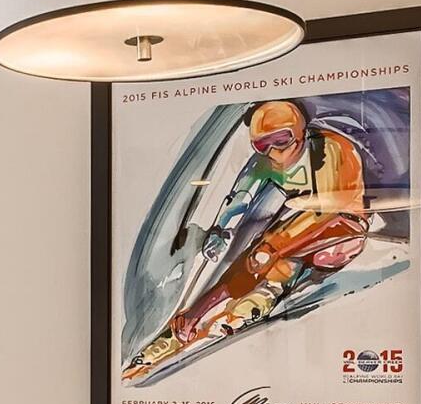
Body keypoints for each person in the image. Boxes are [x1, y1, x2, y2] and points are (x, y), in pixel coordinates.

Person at [128, 99, 374, 378]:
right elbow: (241, 196)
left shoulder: (332, 150)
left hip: (342, 227)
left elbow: (328, 210)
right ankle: (195, 316)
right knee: (255, 250)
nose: (273, 151)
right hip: (291, 222)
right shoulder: (264, 163)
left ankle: (248, 302)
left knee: (276, 261)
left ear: (301, 132)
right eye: (263, 144)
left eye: (281, 139)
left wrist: (272, 247)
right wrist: (221, 231)